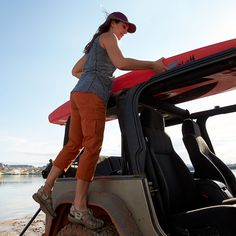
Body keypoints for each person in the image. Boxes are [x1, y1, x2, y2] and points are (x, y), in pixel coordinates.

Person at [33, 11, 168, 230]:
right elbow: (121, 62)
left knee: (73, 145)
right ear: (113, 23)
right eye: (124, 27)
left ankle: (46, 189)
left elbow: (75, 71)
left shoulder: (95, 45)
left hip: (77, 94)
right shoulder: (109, 37)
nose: (125, 32)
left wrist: (94, 75)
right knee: (92, 145)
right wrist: (152, 65)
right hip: (92, 96)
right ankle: (79, 206)